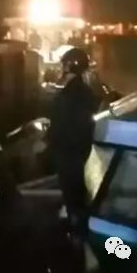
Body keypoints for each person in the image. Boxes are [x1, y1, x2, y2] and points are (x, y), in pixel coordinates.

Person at [47, 47, 97, 239]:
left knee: (73, 193)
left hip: (70, 152)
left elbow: (64, 123)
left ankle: (77, 234)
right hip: (77, 151)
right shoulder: (82, 90)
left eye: (64, 65)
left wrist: (52, 141)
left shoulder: (72, 93)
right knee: (76, 193)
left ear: (70, 66)